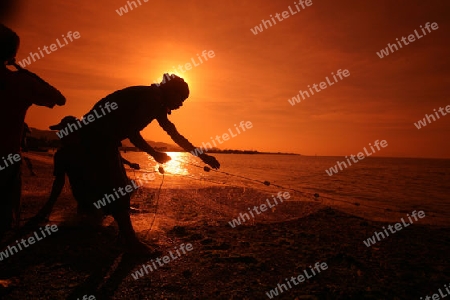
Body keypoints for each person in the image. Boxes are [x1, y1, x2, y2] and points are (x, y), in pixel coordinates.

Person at [75, 73, 220, 252]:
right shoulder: (151, 99)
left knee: (123, 186)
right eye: (181, 98)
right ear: (170, 90)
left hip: (100, 137)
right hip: (95, 137)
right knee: (119, 187)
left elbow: (175, 134)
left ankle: (114, 227)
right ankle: (130, 241)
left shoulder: (157, 101)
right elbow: (132, 132)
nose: (181, 104)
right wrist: (153, 153)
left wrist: (203, 156)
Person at [0, 24, 66, 239]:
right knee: (4, 220)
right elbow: (59, 98)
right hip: (6, 159)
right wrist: (22, 70)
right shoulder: (19, 82)